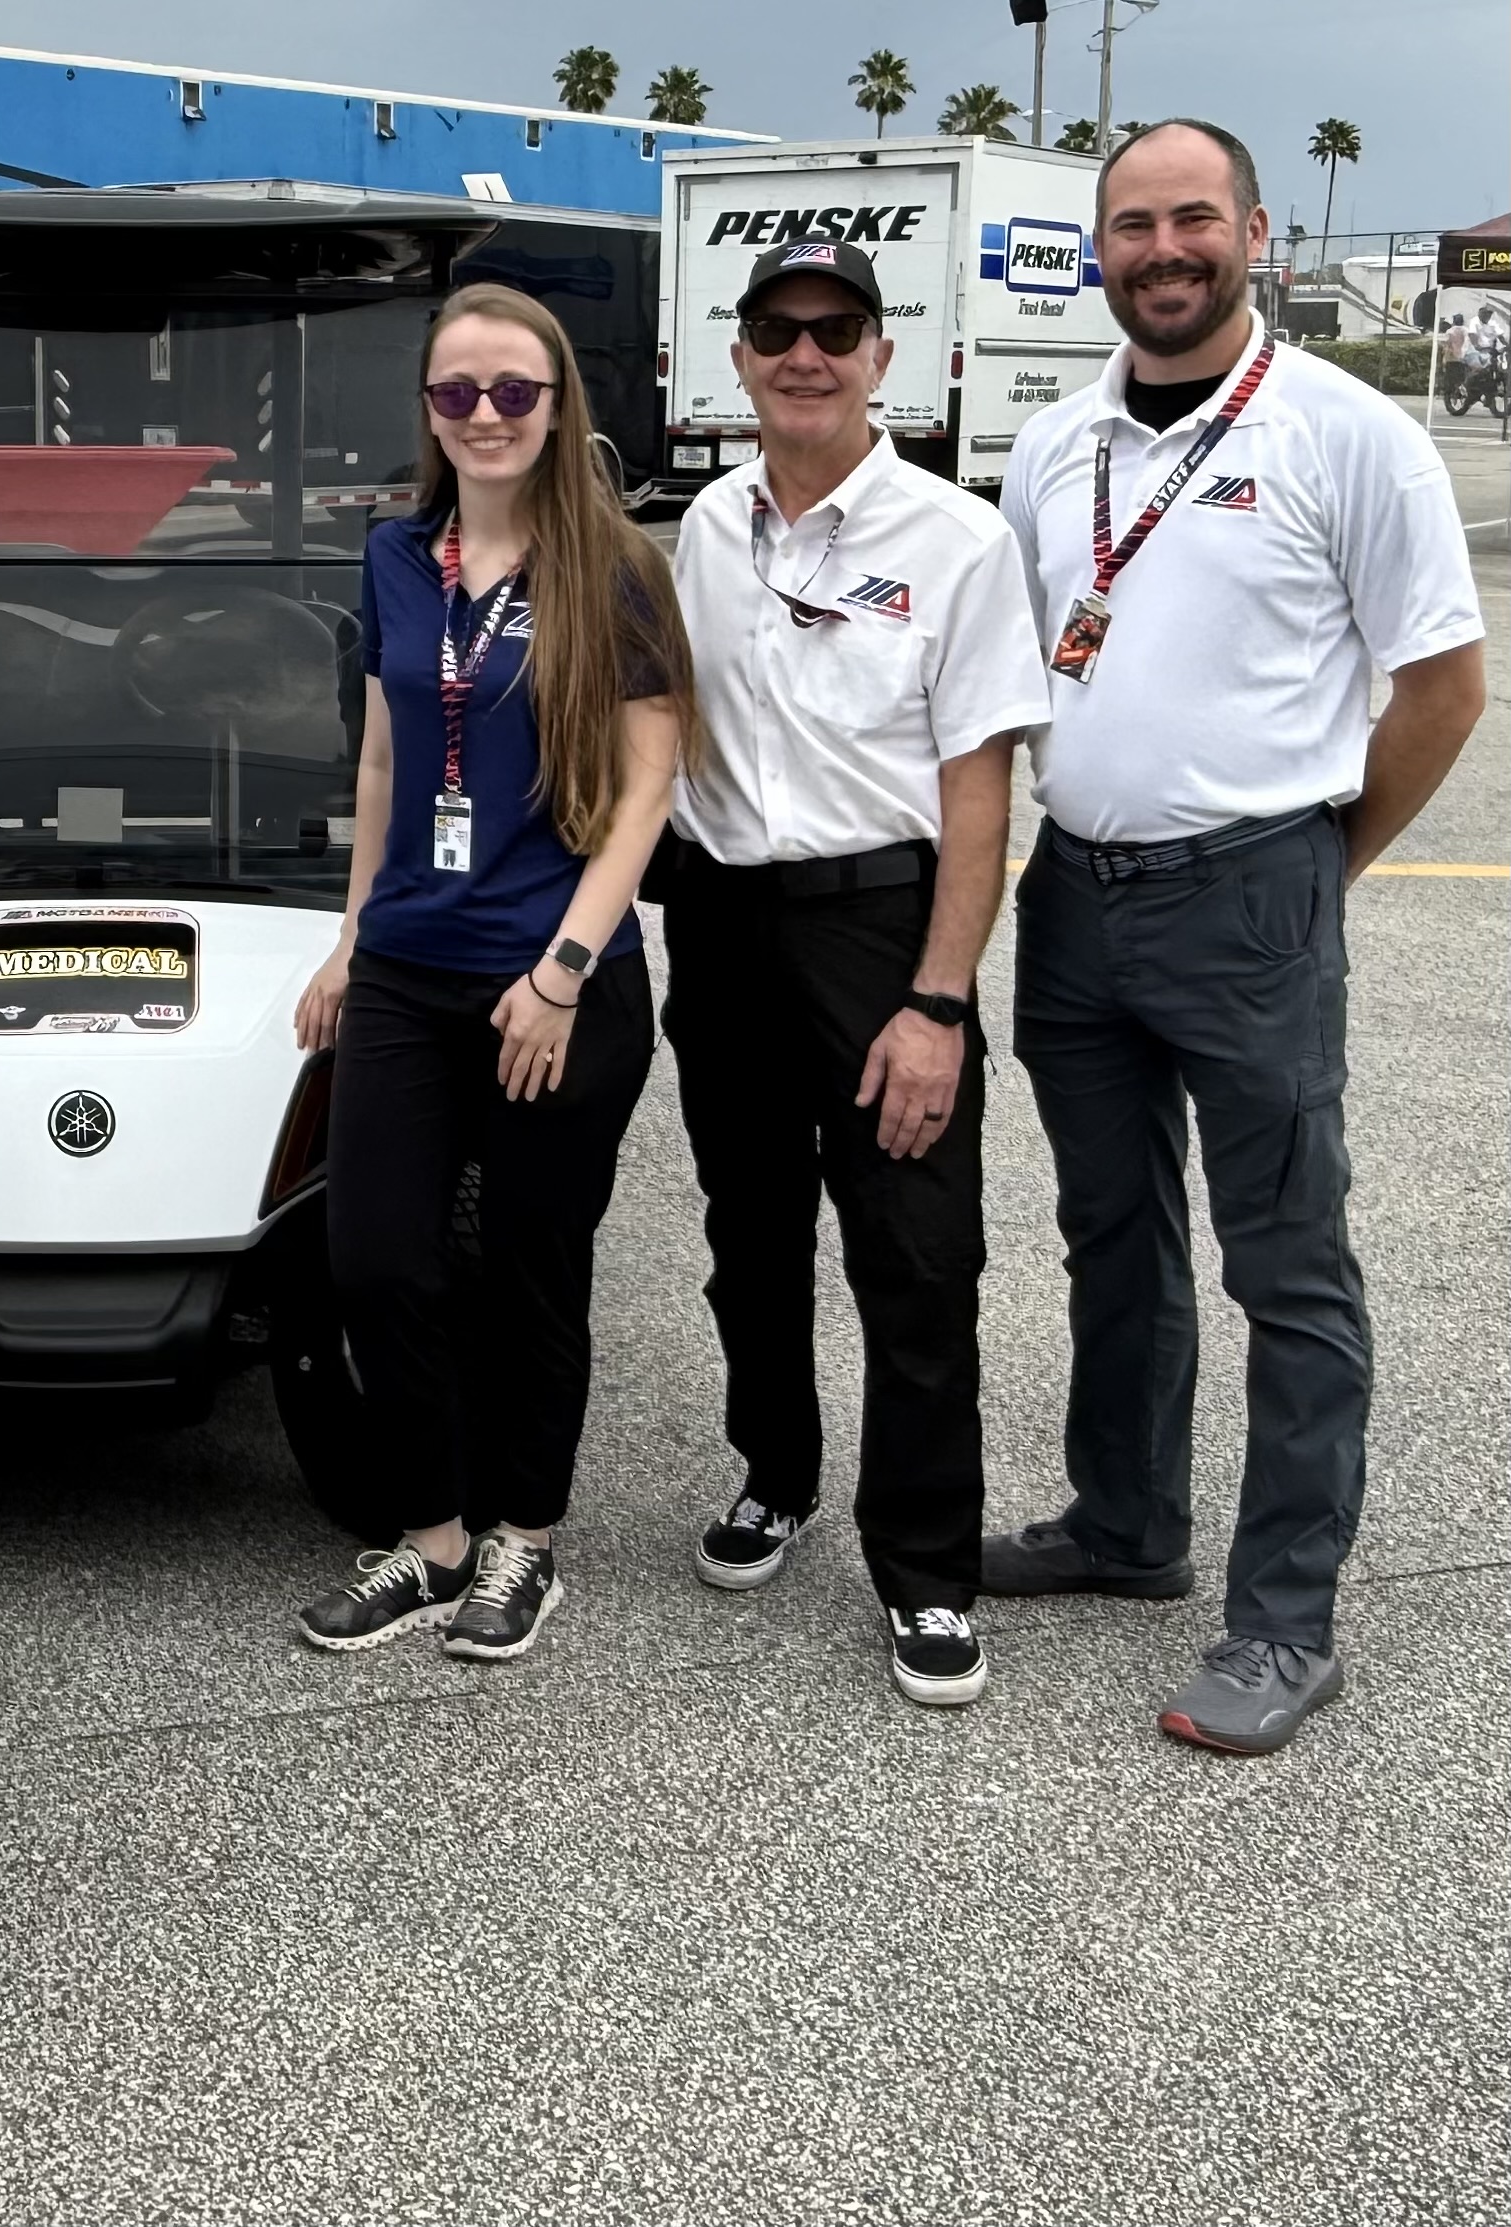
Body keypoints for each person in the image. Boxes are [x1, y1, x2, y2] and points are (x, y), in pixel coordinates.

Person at [996, 120, 1485, 1754]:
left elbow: (1438, 687)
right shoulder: (1049, 445)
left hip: (1249, 891)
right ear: (1098, 252)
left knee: (1284, 1263)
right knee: (1107, 1235)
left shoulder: (1346, 436)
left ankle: (1282, 1619)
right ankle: (1124, 1522)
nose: (1160, 247)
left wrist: (1314, 864)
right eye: (1129, 223)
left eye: (1189, 217)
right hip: (1073, 894)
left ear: (1253, 235)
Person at [656, 239, 1049, 1708]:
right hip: (721, 921)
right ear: (741, 357)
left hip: (879, 929)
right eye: (777, 331)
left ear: (882, 357)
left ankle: (929, 1565)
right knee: (747, 1228)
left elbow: (979, 794)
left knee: (915, 1245)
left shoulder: (956, 538)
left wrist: (938, 999)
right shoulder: (705, 522)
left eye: (836, 330)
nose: (805, 355)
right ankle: (777, 1470)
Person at [289, 283, 692, 1663]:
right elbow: (390, 754)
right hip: (408, 963)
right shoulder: (399, 556)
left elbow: (648, 790)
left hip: (553, 976)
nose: (484, 414)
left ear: (557, 401)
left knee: (531, 1266)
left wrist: (566, 970)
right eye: (456, 391)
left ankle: (524, 1537)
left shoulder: (619, 569)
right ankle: (431, 1537)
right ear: (428, 409)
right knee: (376, 1257)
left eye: (513, 390)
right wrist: (351, 936)